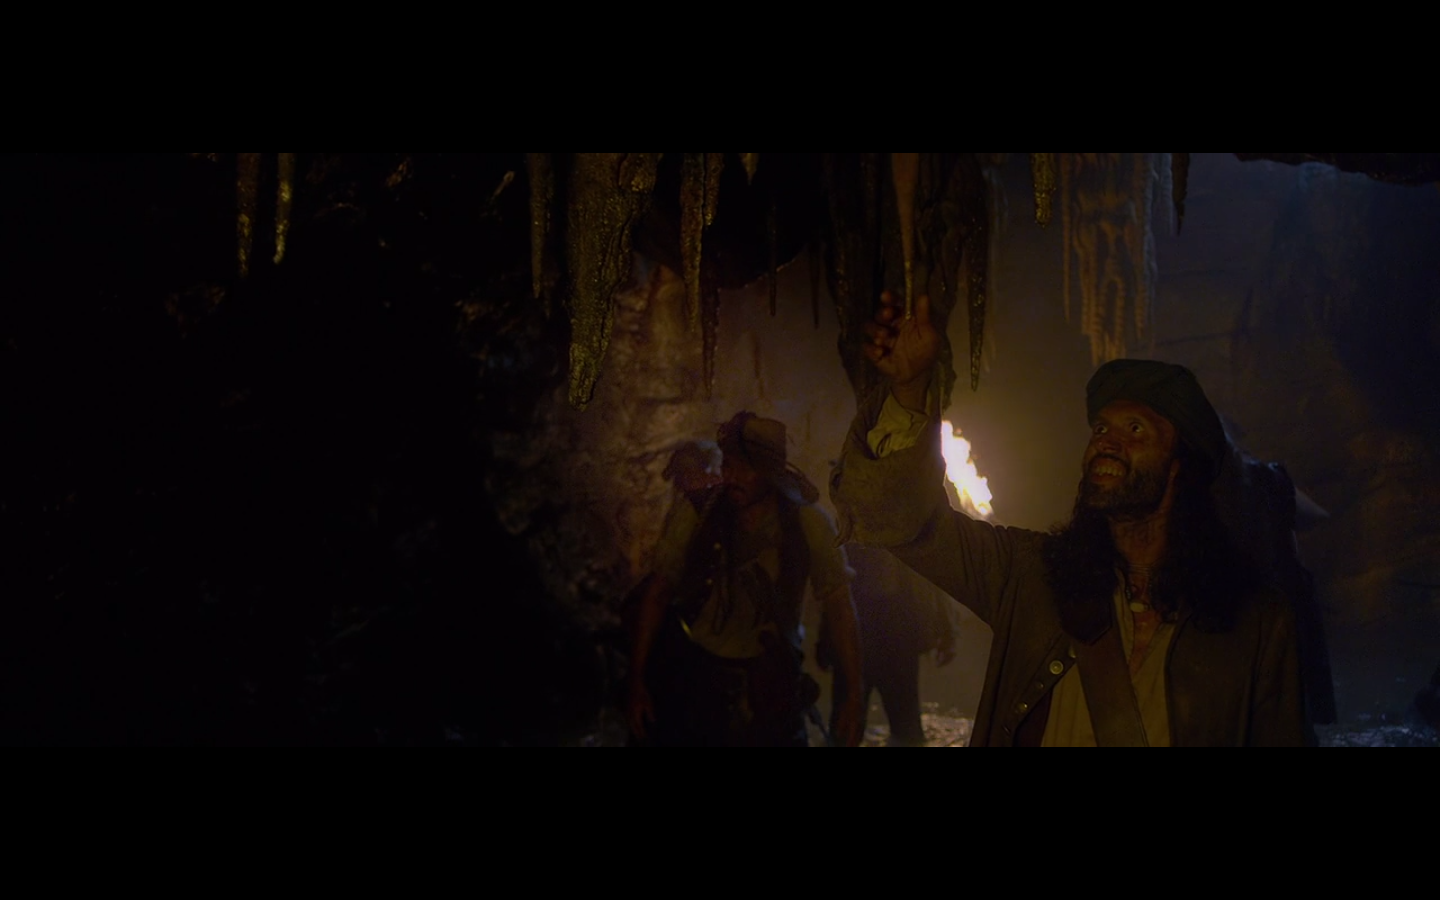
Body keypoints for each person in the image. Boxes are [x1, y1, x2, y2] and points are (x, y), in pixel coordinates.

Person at [829, 290, 1307, 747]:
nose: (1106, 441)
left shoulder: (1256, 625)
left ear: (1180, 465)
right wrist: (910, 389)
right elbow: (895, 520)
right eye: (1100, 428)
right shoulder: (1029, 575)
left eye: (1134, 429)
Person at [626, 412, 865, 747]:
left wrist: (854, 694)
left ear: (770, 472)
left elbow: (840, 606)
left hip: (772, 687)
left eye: (744, 467)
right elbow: (659, 591)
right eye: (728, 465)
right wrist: (637, 680)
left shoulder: (807, 524)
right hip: (698, 684)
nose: (731, 476)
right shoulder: (699, 512)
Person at [824, 542, 956, 747]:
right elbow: (835, 587)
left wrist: (946, 628)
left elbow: (928, 571)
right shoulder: (853, 532)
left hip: (894, 632)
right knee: (847, 727)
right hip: (866, 633)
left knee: (902, 731)